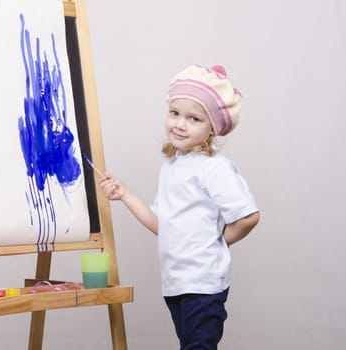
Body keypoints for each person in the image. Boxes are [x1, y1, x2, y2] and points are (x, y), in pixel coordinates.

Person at [99, 64, 260, 349]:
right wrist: (124, 194)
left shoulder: (213, 168)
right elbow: (161, 225)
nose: (180, 124)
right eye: (175, 113)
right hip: (176, 282)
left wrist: (217, 242)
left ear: (212, 128)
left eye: (194, 118)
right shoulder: (172, 168)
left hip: (203, 282)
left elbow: (248, 216)